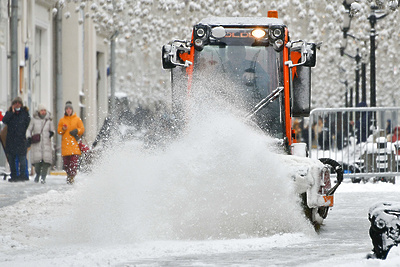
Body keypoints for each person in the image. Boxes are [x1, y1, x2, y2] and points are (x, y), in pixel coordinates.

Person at [1, 96, 31, 182]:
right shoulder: (9, 113)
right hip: (11, 140)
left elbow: (28, 123)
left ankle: (22, 175)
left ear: (21, 104)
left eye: (18, 103)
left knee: (22, 159)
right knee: (12, 159)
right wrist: (11, 113)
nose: (17, 105)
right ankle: (13, 175)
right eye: (15, 103)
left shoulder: (25, 113)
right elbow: (4, 120)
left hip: (21, 140)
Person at [26, 104, 55, 183]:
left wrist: (51, 133)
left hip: (46, 143)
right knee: (37, 163)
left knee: (46, 162)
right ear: (39, 111)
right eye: (42, 110)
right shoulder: (34, 120)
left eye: (44, 110)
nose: (43, 112)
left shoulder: (49, 120)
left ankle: (43, 177)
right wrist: (28, 137)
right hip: (37, 143)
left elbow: (52, 130)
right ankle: (38, 174)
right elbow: (29, 129)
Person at [57, 101, 85, 184]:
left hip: (74, 145)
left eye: (70, 109)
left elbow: (82, 129)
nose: (68, 110)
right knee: (66, 164)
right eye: (67, 109)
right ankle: (69, 175)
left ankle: (72, 176)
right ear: (65, 110)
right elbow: (59, 131)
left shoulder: (77, 119)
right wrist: (63, 129)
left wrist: (77, 131)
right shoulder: (62, 120)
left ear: (72, 110)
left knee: (73, 163)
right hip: (65, 145)